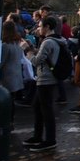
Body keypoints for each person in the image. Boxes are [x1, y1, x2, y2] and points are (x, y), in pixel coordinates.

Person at [24, 16, 65, 152]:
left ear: (47, 27)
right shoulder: (60, 40)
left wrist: (28, 50)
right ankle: (38, 136)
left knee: (46, 109)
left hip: (45, 78)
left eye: (40, 26)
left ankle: (49, 139)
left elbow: (36, 61)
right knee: (38, 106)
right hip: (50, 77)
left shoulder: (47, 42)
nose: (38, 29)